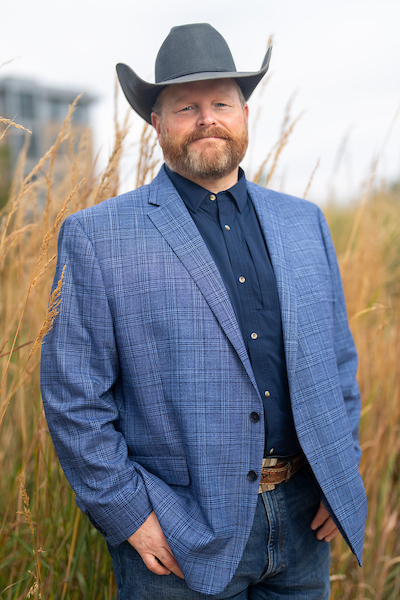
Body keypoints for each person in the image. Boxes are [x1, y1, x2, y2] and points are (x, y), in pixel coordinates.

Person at [41, 23, 367, 599]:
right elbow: (73, 396)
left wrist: (338, 475)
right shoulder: (97, 237)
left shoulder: (304, 222)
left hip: (304, 521)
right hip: (179, 533)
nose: (206, 118)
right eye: (186, 106)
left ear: (245, 114)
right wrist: (128, 514)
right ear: (156, 123)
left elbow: (337, 363)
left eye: (221, 102)